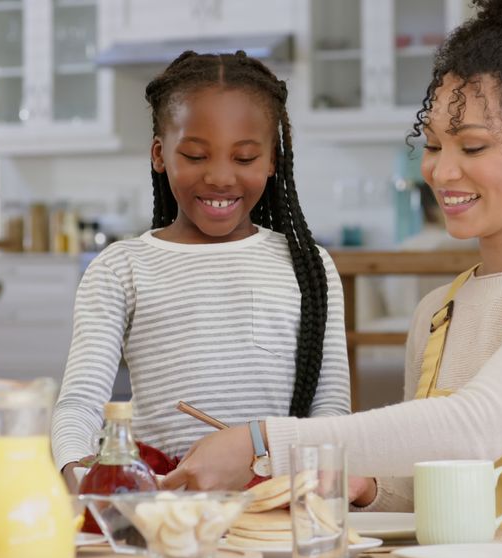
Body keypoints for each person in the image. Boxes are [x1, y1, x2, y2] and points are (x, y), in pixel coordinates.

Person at [159, 0, 502, 536]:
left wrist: (263, 441)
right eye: (433, 143)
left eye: (472, 145)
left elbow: (476, 427)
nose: (441, 169)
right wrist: (364, 487)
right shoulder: (440, 311)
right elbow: (428, 484)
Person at [51, 51, 351, 488]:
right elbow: (79, 403)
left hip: (273, 505)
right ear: (160, 154)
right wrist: (79, 471)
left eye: (245, 158)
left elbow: (332, 413)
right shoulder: (122, 268)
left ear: (272, 160)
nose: (220, 177)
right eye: (194, 155)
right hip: (165, 509)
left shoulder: (310, 268)